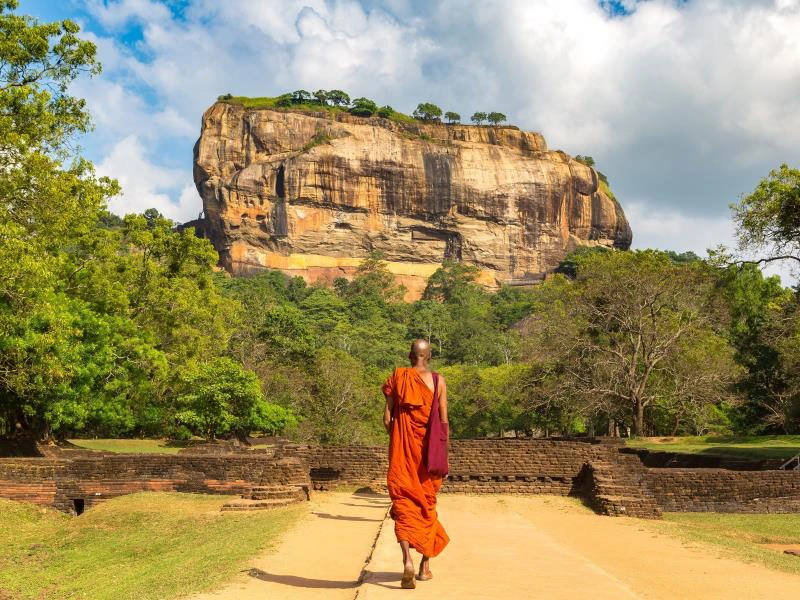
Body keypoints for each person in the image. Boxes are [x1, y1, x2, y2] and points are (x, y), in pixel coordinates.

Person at [382, 339, 450, 589]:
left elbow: (387, 419)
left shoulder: (399, 377)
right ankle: (424, 566)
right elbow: (443, 421)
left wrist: (400, 436)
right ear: (429, 356)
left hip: (403, 457)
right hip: (428, 457)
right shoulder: (438, 380)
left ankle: (407, 560)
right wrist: (442, 453)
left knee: (403, 505)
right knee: (427, 507)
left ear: (410, 355)